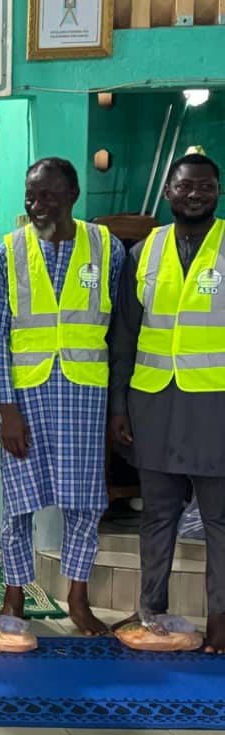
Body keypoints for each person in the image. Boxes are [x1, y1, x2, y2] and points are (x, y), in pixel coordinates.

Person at [0, 157, 125, 636]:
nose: (36, 204)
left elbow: (118, 329)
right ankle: (14, 595)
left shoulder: (106, 247)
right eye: (30, 195)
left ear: (72, 195)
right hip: (26, 396)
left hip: (84, 394)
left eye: (47, 194)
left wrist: (117, 408)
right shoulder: (8, 252)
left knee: (85, 502)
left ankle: (77, 599)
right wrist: (5, 409)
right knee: (19, 503)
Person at [108, 153, 225, 654]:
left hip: (215, 405)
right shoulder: (144, 251)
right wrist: (119, 406)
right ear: (168, 193)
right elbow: (124, 336)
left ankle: (220, 618)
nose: (195, 194)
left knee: (219, 519)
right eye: (185, 186)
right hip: (154, 403)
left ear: (218, 191)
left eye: (205, 186)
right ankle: (149, 610)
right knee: (157, 514)